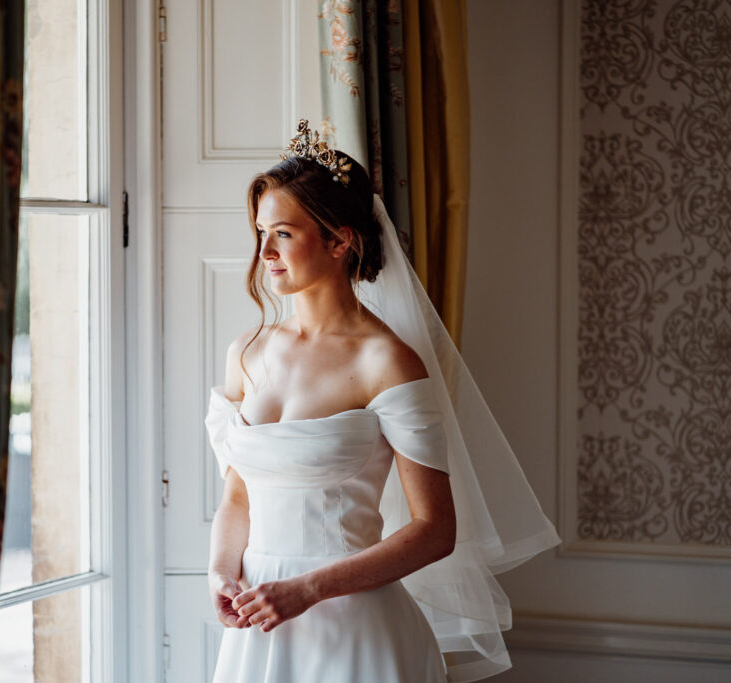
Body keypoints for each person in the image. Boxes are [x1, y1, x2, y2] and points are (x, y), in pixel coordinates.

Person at [204, 120, 560, 682]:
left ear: (341, 241)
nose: (264, 251)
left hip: (352, 625)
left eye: (284, 234)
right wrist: (222, 573)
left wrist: (309, 588)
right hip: (258, 623)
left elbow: (434, 529)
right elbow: (238, 498)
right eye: (260, 231)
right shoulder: (246, 351)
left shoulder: (387, 361)